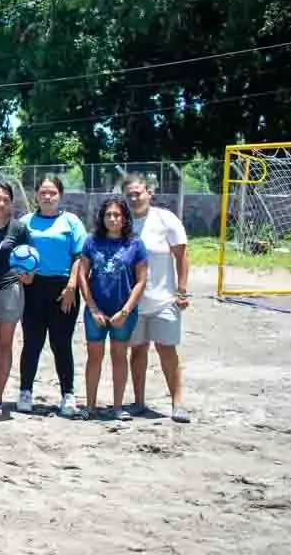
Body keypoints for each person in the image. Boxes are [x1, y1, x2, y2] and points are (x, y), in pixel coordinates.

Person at [123, 173, 191, 423]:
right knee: (137, 349)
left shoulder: (165, 219)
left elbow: (182, 256)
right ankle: (139, 401)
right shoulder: (122, 221)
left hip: (163, 300)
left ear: (149, 193)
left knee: (166, 350)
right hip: (132, 303)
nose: (134, 198)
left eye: (138, 193)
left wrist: (181, 291)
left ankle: (178, 403)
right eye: (129, 194)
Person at [18, 176, 87, 417]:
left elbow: (79, 256)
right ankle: (25, 392)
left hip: (63, 290)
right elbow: (17, 254)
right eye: (43, 192)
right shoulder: (25, 222)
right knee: (32, 342)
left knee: (61, 343)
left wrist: (71, 287)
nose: (48, 197)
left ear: (60, 195)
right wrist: (23, 275)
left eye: (53, 192)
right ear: (36, 195)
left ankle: (68, 394)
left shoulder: (71, 222)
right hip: (33, 288)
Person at [77, 196, 148, 420]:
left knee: (119, 356)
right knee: (94, 357)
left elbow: (141, 280)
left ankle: (118, 406)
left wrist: (125, 311)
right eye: (108, 215)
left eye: (117, 214)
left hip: (123, 312)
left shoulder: (135, 245)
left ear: (125, 218)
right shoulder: (91, 242)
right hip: (96, 311)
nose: (112, 219)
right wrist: (93, 308)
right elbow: (82, 275)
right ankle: (90, 406)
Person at [0, 181, 33, 417]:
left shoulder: (19, 229)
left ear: (11, 202)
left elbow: (30, 260)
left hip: (9, 290)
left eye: (5, 199)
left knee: (4, 344)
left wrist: (28, 276)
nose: (0, 203)